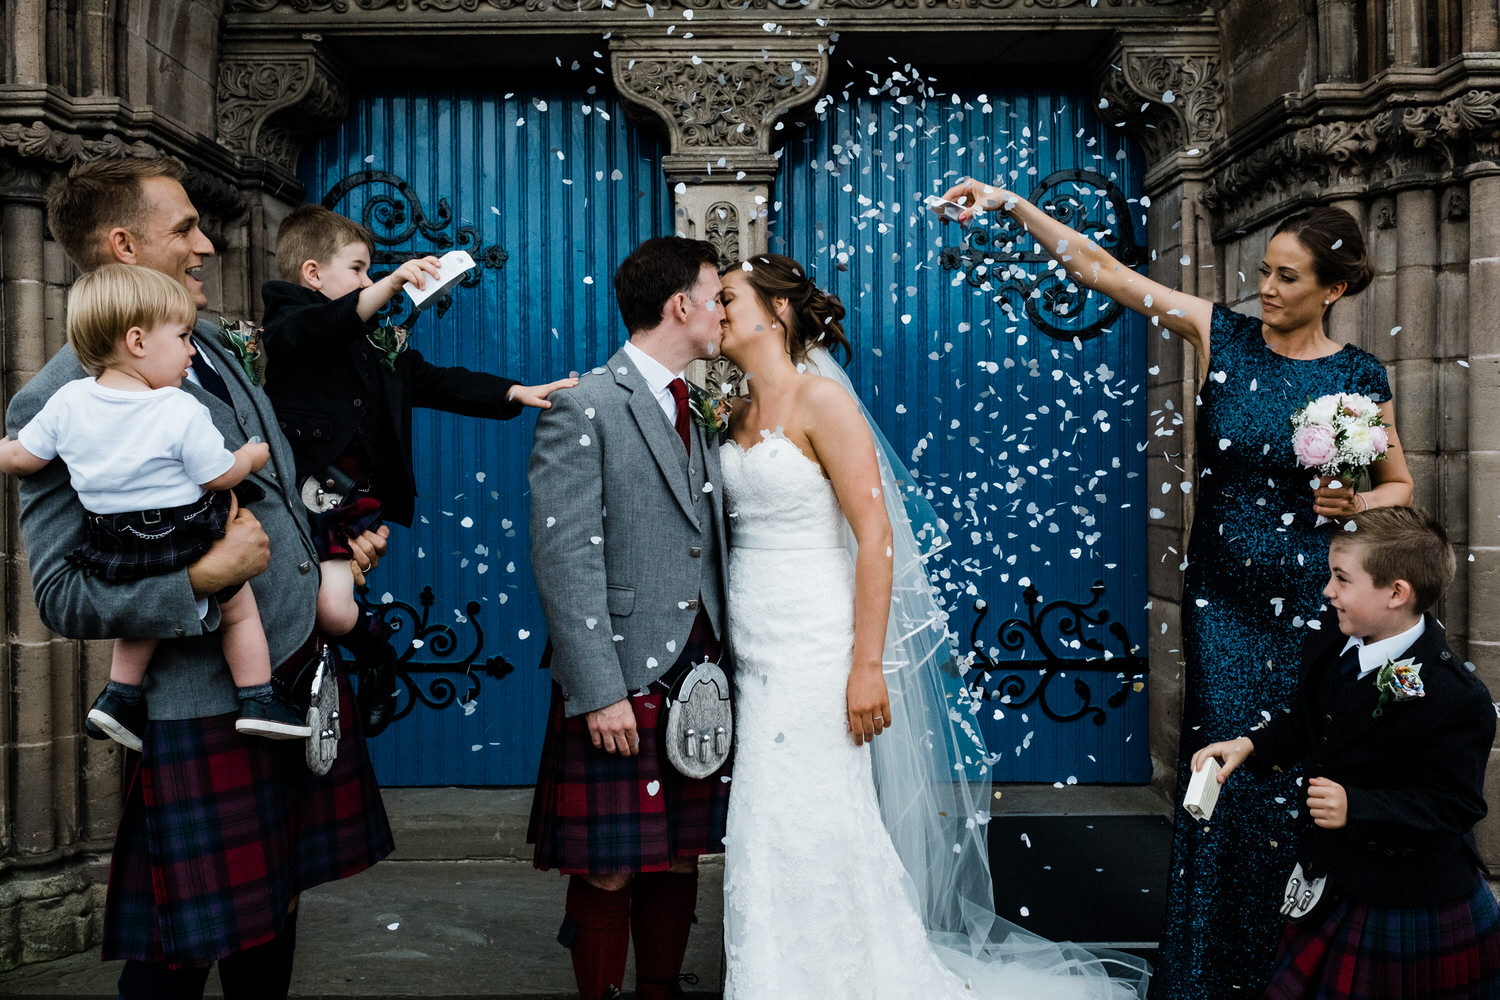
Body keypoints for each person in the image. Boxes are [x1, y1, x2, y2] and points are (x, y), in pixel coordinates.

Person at [935, 180, 1414, 997]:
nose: (1264, 288)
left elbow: (1396, 485)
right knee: (1219, 780)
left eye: (1287, 277)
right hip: (1224, 605)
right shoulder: (1218, 335)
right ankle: (1203, 973)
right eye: (1264, 271)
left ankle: (1288, 968)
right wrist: (1014, 206)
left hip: (1310, 604)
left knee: (1294, 779)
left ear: (1332, 289)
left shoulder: (1356, 379)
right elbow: (1103, 274)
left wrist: (1353, 500)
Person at [8, 155, 393, 1000]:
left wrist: (328, 549)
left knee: (274, 915)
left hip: (285, 671)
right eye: (183, 227)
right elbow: (63, 594)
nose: (207, 244)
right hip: (203, 705)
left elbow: (265, 489)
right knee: (183, 946)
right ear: (122, 246)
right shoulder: (60, 401)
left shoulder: (208, 342)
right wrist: (204, 577)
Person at [716, 253, 1147, 999]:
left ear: (777, 310)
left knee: (817, 818)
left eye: (727, 298)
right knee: (763, 822)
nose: (714, 311)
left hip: (819, 647)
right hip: (752, 648)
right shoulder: (733, 409)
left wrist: (865, 665)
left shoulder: (824, 404)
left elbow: (877, 538)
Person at [261, 204, 574, 728]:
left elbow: (437, 382)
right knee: (314, 607)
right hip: (298, 496)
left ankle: (375, 654)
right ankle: (315, 680)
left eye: (369, 270)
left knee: (333, 609)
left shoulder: (374, 343)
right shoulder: (288, 318)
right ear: (312, 275)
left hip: (348, 497)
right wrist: (386, 286)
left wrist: (515, 392)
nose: (369, 279)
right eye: (358, 269)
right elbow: (314, 328)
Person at [526, 236, 732, 1000]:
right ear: (681, 305)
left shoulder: (698, 405)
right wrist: (599, 689)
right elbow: (564, 559)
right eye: (715, 295)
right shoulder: (585, 404)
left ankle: (660, 990)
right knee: (609, 862)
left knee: (680, 851)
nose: (721, 311)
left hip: (700, 664)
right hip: (621, 666)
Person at [1192, 506, 1499, 1000]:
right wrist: (1250, 745)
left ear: (1396, 593)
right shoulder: (1334, 639)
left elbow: (1456, 804)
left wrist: (1358, 807)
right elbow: (1315, 720)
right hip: (1333, 876)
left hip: (1406, 897)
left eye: (1340, 579)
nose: (1327, 591)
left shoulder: (1455, 696)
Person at [0, 264, 310, 750]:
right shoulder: (177, 407)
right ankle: (258, 696)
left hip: (114, 538)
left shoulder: (66, 401)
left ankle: (119, 696)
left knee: (142, 620)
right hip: (186, 530)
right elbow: (217, 475)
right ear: (139, 342)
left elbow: (19, 457)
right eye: (183, 337)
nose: (192, 348)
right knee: (239, 611)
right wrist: (248, 457)